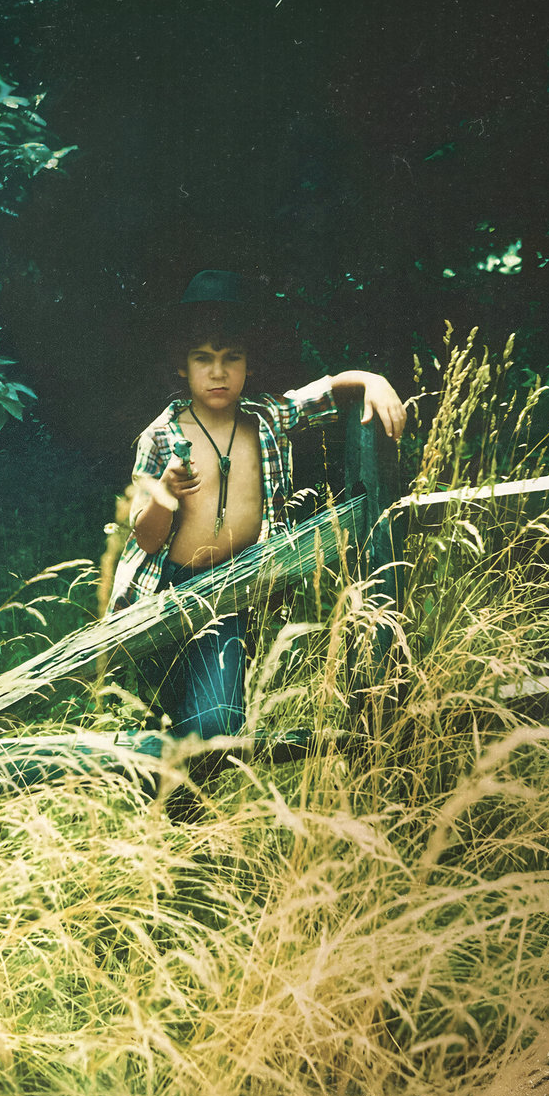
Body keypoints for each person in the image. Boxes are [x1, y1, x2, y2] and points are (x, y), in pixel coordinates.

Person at [109, 269, 406, 757]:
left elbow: (329, 390)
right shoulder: (160, 436)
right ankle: (175, 820)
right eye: (203, 359)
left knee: (216, 723)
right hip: (161, 595)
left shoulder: (266, 418)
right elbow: (143, 538)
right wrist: (165, 492)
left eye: (232, 358)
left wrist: (371, 381)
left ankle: (183, 814)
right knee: (163, 716)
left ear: (249, 363)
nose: (219, 372)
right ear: (182, 367)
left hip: (229, 597)